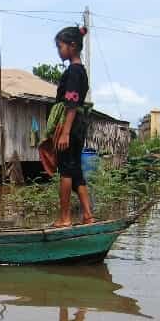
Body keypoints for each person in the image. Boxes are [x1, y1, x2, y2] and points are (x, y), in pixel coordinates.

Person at [53, 26, 95, 227]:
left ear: (72, 46)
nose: (59, 51)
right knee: (76, 170)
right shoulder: (81, 71)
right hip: (78, 124)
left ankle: (64, 218)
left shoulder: (73, 72)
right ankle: (87, 215)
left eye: (60, 46)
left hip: (71, 125)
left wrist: (65, 133)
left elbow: (71, 102)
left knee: (66, 171)